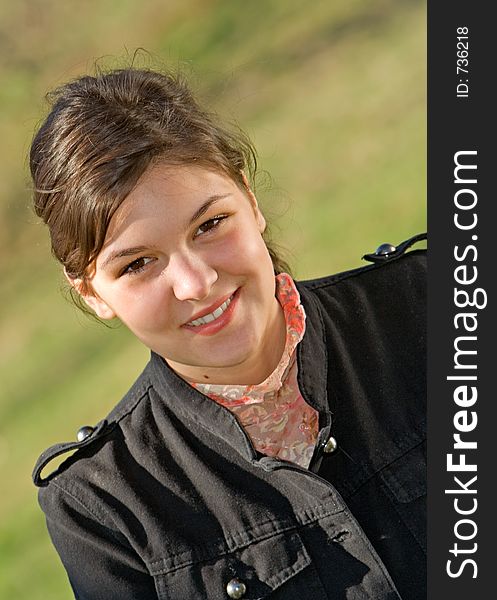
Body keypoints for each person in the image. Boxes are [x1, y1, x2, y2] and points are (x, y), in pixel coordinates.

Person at [31, 67, 426, 600]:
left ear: (250, 199)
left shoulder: (428, 302)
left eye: (210, 224)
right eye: (138, 264)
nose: (197, 284)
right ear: (93, 293)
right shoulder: (103, 507)